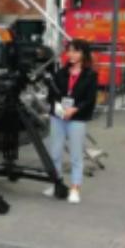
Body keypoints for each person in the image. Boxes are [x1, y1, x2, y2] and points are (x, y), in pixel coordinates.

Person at [44, 40, 98, 204]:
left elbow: (90, 99)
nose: (72, 54)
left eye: (76, 51)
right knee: (55, 153)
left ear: (84, 54)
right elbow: (51, 95)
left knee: (76, 155)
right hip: (58, 116)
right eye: (70, 51)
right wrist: (60, 109)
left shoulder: (90, 75)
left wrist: (74, 109)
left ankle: (75, 188)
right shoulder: (60, 73)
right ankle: (57, 184)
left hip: (77, 118)